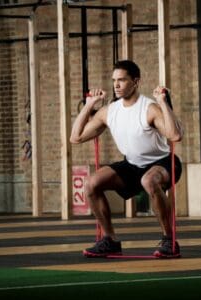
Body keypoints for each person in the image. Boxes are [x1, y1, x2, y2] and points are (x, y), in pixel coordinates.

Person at [70, 60, 183, 258]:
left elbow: (174, 136)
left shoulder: (149, 108)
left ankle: (169, 240)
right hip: (132, 165)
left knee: (148, 180)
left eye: (122, 80)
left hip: (162, 162)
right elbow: (75, 137)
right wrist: (88, 106)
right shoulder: (110, 111)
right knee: (91, 184)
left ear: (136, 81)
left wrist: (163, 103)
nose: (116, 85)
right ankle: (110, 240)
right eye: (114, 80)